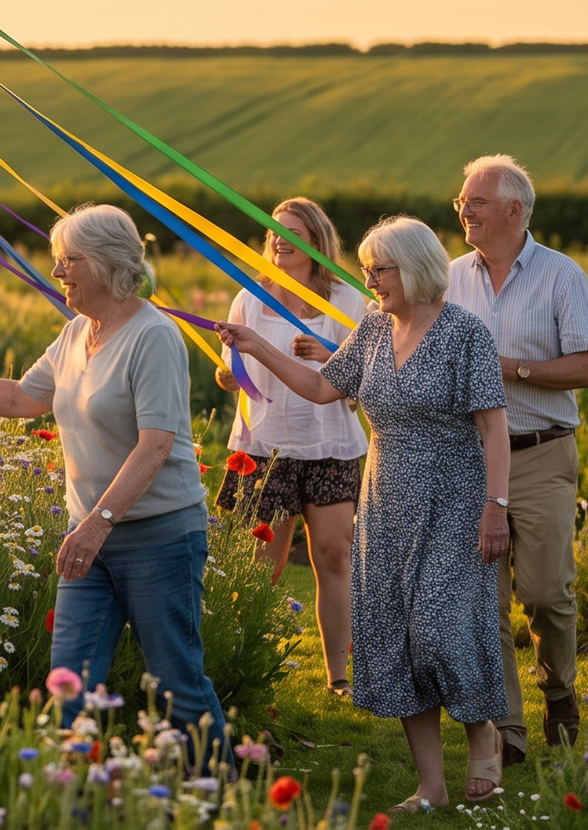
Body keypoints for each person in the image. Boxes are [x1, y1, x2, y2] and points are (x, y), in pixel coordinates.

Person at [0, 204, 223, 743]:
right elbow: (21, 397)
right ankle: (75, 796)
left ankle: (220, 795)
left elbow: (156, 445)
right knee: (70, 679)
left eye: (70, 260)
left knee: (175, 682)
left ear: (110, 263)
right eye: (57, 260)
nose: (58, 272)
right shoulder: (76, 334)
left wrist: (97, 523)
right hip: (88, 537)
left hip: (158, 537)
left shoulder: (153, 336)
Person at [221, 216, 513, 813]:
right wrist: (258, 349)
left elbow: (494, 426)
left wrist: (496, 507)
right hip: (384, 503)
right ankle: (430, 788)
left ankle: (482, 727)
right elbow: (325, 387)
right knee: (398, 642)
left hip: (453, 501)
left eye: (380, 269)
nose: (371, 280)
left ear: (415, 268)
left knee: (440, 629)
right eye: (368, 270)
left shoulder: (465, 334)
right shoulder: (375, 329)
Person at [448, 154, 588, 760]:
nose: (464, 210)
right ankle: (506, 730)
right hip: (468, 457)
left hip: (541, 452)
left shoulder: (564, 277)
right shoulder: (448, 277)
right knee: (486, 596)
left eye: (476, 201)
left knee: (545, 594)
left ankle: (559, 691)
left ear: (515, 210)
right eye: (461, 201)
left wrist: (512, 369)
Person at [213, 197, 370, 694]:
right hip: (264, 448)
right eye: (274, 231)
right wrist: (228, 373)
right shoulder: (250, 298)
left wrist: (331, 354)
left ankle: (339, 676)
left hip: (332, 446)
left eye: (292, 232)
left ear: (317, 242)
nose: (279, 240)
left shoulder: (348, 301)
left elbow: (371, 370)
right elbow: (229, 374)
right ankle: (243, 666)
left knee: (334, 558)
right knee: (262, 566)